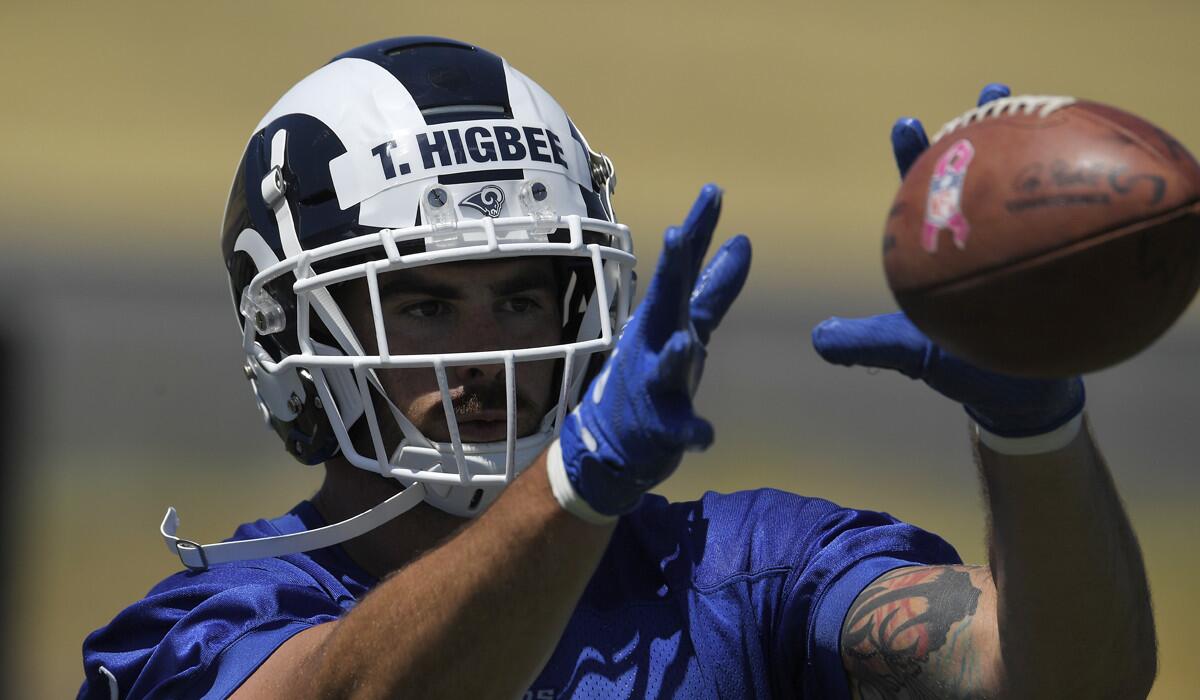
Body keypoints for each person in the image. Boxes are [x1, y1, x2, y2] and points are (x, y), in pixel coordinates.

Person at [79, 38, 1156, 699]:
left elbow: (1069, 677)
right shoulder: (202, 632)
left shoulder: (734, 575)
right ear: (291, 335)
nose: (488, 352)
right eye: (422, 303)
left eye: (522, 295)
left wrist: (1037, 430)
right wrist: (579, 482)